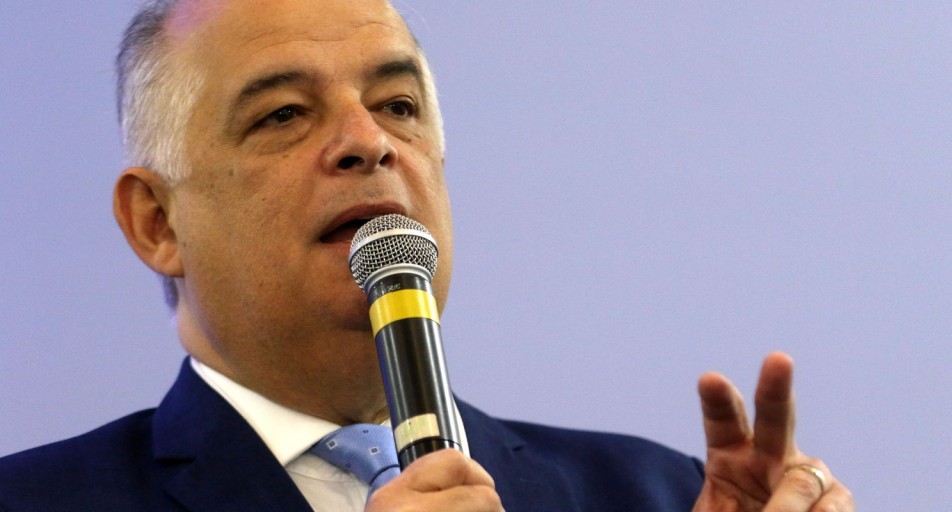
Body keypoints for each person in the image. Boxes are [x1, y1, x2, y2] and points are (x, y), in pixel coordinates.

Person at [0, 0, 854, 510]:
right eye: (284, 114)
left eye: (398, 105)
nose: (367, 141)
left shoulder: (652, 495)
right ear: (156, 222)